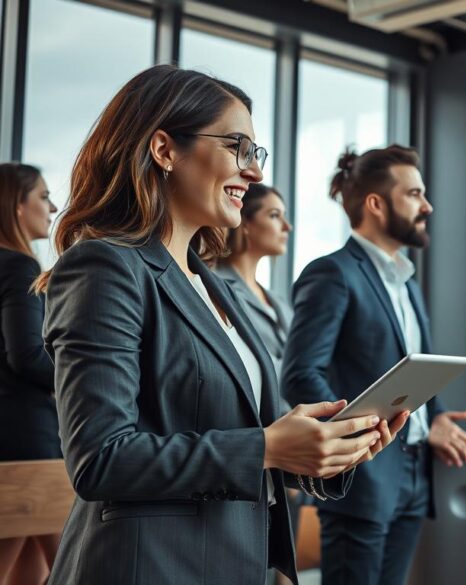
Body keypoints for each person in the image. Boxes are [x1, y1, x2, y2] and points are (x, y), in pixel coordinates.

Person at [37, 65, 408, 585]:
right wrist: (268, 446)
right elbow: (101, 458)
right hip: (149, 567)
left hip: (230, 561)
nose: (253, 172)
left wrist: (327, 448)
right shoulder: (105, 266)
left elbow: (239, 435)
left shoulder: (211, 284)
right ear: (164, 150)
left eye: (256, 153)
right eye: (238, 147)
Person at [282, 145, 466, 585]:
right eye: (414, 194)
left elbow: (412, 372)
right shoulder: (332, 273)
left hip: (414, 474)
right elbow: (300, 375)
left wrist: (437, 416)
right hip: (363, 477)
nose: (428, 206)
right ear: (376, 203)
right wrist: (357, 438)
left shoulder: (406, 283)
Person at [0, 163, 59, 585]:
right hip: (26, 436)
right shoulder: (19, 266)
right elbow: (26, 356)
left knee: (29, 565)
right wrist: (84, 377)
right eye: (43, 196)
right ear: (16, 206)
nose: (53, 208)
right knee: (73, 564)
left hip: (12, 436)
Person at [215, 183, 293, 378]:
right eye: (274, 215)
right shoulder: (216, 288)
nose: (287, 227)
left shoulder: (278, 301)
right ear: (246, 224)